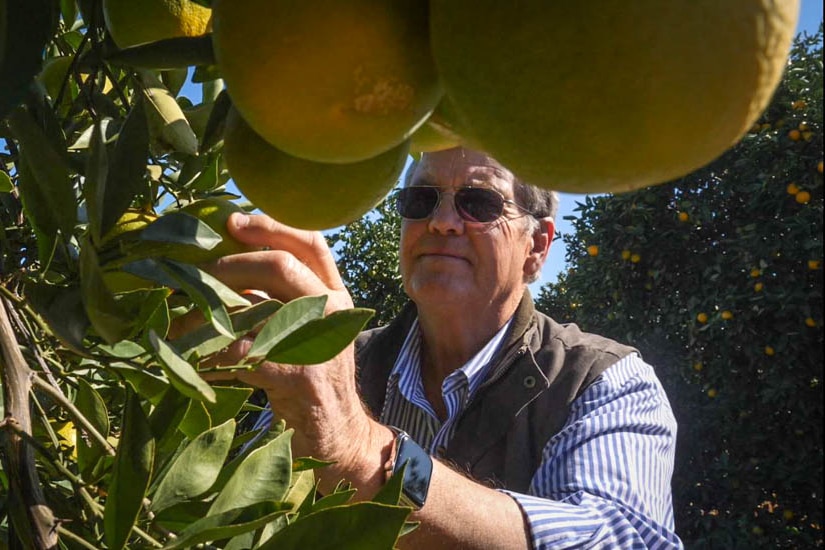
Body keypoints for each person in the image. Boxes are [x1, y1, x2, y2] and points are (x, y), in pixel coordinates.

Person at [200, 146, 684, 548]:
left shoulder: (604, 382)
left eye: (480, 203)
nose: (443, 221)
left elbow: (615, 538)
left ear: (537, 246)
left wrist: (362, 452)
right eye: (421, 200)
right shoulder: (340, 359)